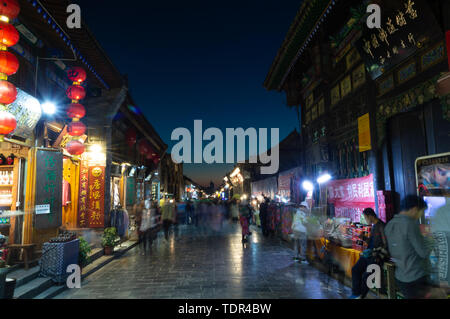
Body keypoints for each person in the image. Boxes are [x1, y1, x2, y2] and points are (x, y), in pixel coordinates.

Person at [385, 195, 431, 299]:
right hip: (416, 277)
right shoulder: (410, 224)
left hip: (401, 277)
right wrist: (431, 242)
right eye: (421, 212)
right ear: (414, 209)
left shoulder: (390, 225)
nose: (420, 215)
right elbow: (423, 252)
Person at [349, 208, 387, 299]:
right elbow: (372, 242)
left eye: (365, 217)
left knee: (366, 276)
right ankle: (356, 293)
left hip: (376, 256)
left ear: (370, 216)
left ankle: (361, 296)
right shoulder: (374, 227)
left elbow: (386, 244)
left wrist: (378, 255)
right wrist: (363, 237)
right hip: (369, 254)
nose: (365, 220)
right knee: (355, 269)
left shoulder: (381, 226)